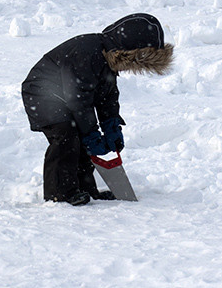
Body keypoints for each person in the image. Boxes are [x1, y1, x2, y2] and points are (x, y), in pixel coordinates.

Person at [21, 13, 175, 205]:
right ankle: (59, 194)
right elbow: (79, 99)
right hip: (41, 93)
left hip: (67, 96)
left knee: (83, 139)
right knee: (66, 136)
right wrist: (92, 133)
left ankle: (85, 189)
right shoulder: (88, 53)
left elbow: (106, 97)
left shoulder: (107, 59)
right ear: (128, 51)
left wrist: (112, 126)